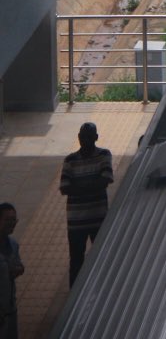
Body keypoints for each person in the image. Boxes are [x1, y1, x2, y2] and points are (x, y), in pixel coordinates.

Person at [60, 123, 113, 288]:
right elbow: (65, 188)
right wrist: (92, 184)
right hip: (86, 221)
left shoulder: (103, 155)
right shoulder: (70, 159)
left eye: (89, 137)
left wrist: (79, 187)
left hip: (86, 220)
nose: (85, 140)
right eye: (83, 137)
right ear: (79, 138)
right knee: (76, 260)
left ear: (96, 138)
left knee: (98, 258)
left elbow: (104, 181)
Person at [0, 203, 24, 339]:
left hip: (10, 310)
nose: (12, 224)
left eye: (14, 220)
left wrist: (19, 269)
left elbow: (18, 265)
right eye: (8, 220)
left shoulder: (13, 245)